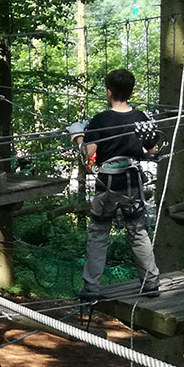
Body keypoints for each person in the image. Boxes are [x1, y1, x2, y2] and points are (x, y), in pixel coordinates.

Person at [78, 69, 161, 301]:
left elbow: (88, 154)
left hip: (107, 185)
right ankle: (151, 283)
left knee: (98, 233)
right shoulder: (140, 118)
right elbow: (152, 149)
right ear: (130, 92)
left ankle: (91, 287)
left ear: (109, 92)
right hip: (132, 183)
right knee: (137, 231)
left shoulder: (101, 120)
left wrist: (78, 138)